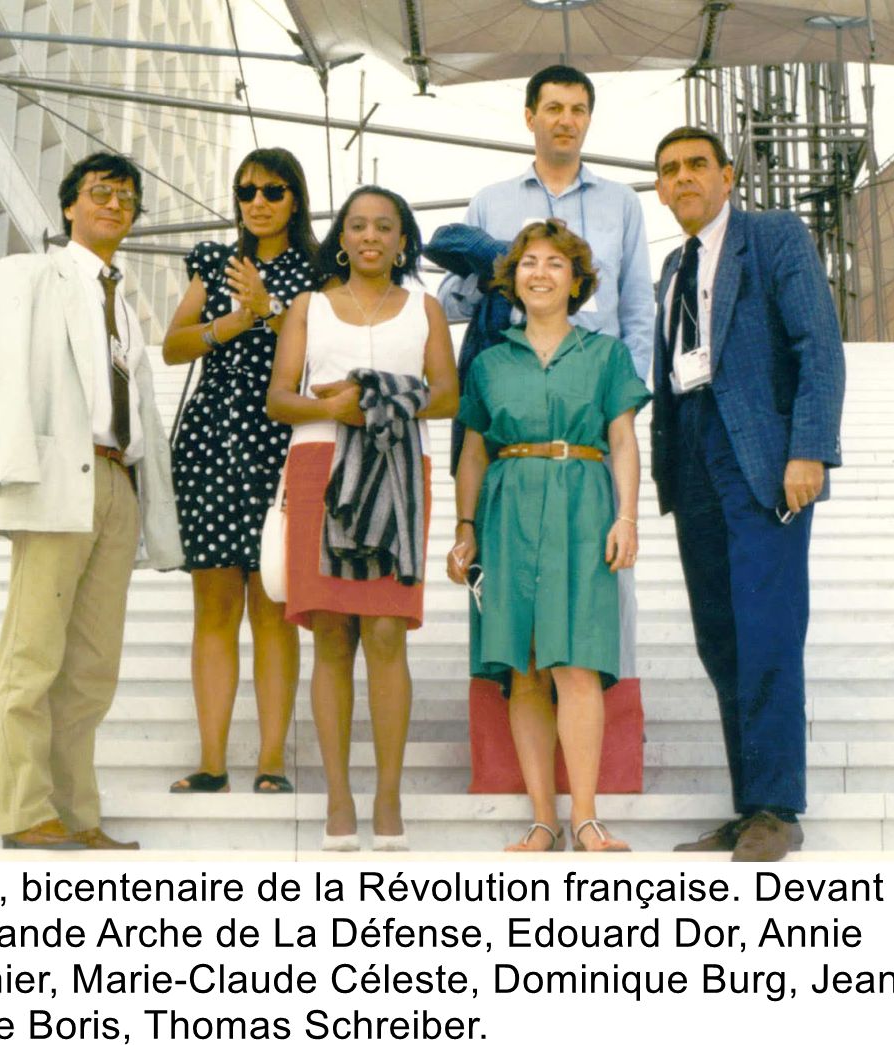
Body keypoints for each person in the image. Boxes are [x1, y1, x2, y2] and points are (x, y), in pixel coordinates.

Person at [0, 151, 183, 850]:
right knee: (33, 652)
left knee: (92, 665)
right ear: (69, 205)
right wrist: (13, 467)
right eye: (101, 192)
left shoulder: (124, 304)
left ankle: (77, 812)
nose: (115, 204)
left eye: (127, 197)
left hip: (118, 482)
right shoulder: (28, 274)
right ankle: (25, 809)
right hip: (57, 475)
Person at [434, 62, 654, 713]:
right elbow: (451, 300)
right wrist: (493, 270)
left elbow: (637, 311)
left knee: (605, 572)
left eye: (578, 109)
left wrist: (624, 401)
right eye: (553, 107)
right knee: (511, 575)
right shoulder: (491, 200)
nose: (566, 120)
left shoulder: (621, 204)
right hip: (515, 406)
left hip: (592, 409)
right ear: (530, 116)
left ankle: (611, 718)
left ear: (589, 119)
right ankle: (513, 716)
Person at [651, 126, 845, 861]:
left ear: (727, 175)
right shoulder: (672, 267)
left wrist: (808, 448)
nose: (683, 178)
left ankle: (777, 805)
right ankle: (750, 805)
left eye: (697, 164)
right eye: (669, 170)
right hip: (692, 454)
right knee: (721, 636)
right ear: (660, 188)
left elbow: (818, 345)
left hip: (760, 455)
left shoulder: (772, 238)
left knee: (766, 625)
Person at [447, 220, 649, 853]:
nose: (541, 273)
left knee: (577, 663)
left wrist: (627, 518)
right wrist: (464, 528)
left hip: (582, 508)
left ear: (576, 280)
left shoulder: (606, 355)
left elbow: (623, 441)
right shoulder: (489, 361)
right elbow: (473, 452)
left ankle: (585, 817)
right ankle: (543, 819)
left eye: (556, 263)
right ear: (513, 279)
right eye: (529, 262)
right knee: (526, 668)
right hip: (507, 510)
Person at [267, 186, 458, 851]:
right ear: (341, 238)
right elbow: (280, 399)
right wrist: (335, 409)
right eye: (357, 225)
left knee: (385, 631)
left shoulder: (425, 308)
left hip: (399, 467)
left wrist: (376, 397)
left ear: (403, 241)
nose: (370, 236)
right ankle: (339, 797)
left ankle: (388, 795)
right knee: (330, 633)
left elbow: (447, 395)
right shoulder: (309, 306)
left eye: (384, 226)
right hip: (320, 465)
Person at [163, 148, 321, 796]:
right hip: (211, 446)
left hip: (281, 447)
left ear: (295, 199)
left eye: (273, 191)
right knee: (214, 605)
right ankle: (212, 762)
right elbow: (174, 345)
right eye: (247, 191)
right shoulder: (215, 261)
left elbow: (324, 350)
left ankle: (272, 760)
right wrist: (237, 317)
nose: (258, 202)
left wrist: (272, 306)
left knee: (274, 603)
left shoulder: (317, 269)